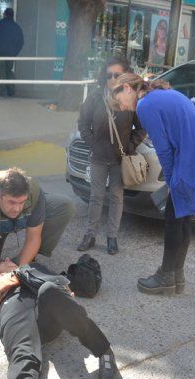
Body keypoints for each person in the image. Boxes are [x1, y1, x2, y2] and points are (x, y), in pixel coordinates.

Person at [111, 73, 195, 295]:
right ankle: (176, 275)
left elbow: (164, 149)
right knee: (181, 216)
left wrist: (174, 182)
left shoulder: (145, 106)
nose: (123, 107)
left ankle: (166, 277)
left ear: (127, 88)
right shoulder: (158, 94)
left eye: (120, 101)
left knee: (174, 219)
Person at [77, 57, 146, 255]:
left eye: (117, 75)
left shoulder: (130, 98)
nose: (112, 78)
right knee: (96, 196)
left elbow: (142, 128)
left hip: (119, 158)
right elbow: (82, 123)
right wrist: (93, 143)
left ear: (125, 76)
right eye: (108, 75)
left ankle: (112, 238)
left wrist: (129, 146)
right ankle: (90, 236)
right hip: (98, 156)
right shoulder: (95, 97)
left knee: (116, 197)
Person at [0, 168, 76, 280]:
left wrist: (18, 271)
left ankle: (24, 260)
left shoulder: (33, 192)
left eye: (22, 202)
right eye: (12, 202)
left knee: (64, 206)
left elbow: (34, 237)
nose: (17, 209)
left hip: (18, 220)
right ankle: (0, 264)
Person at [0, 8, 23, 97]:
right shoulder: (16, 27)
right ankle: (11, 90)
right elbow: (21, 42)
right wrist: (15, 52)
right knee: (9, 71)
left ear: (4, 14)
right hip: (11, 54)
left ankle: (3, 91)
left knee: (0, 72)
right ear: (12, 15)